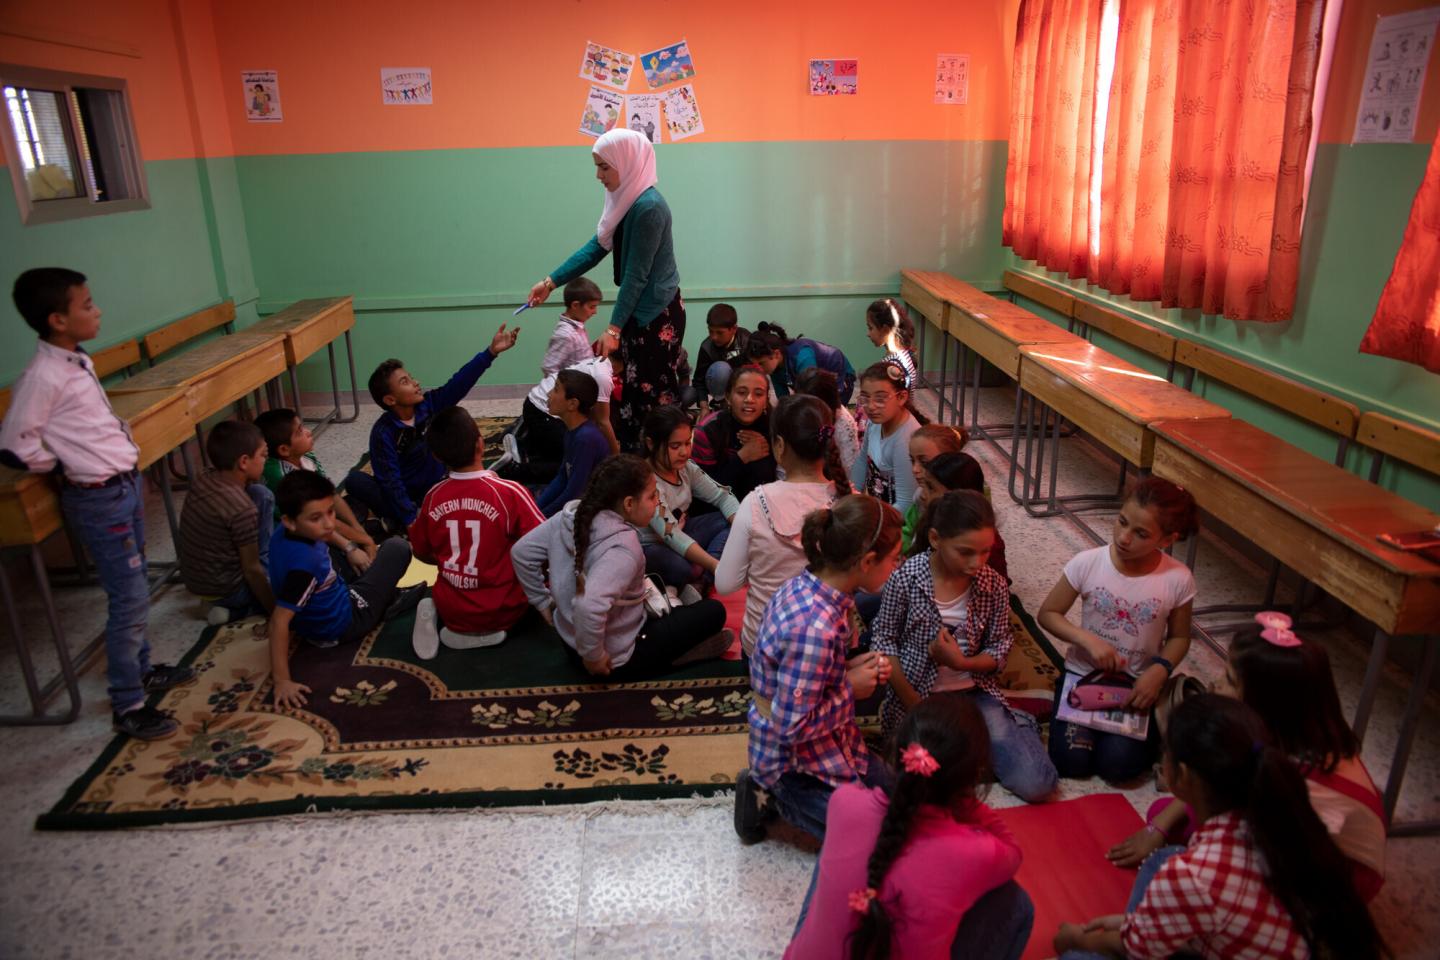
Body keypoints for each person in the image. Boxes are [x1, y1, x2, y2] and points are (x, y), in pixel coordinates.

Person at [1, 267, 194, 740]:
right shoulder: (43, 374)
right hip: (98, 496)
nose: (98, 310)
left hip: (122, 486)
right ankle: (128, 701)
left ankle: (143, 668)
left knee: (134, 585)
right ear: (57, 320)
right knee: (127, 597)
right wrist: (65, 467)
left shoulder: (74, 359)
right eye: (87, 305)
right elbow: (14, 443)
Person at [1054, 696, 1388, 960]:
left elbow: (1137, 950)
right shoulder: (1277, 818)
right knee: (1165, 856)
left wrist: (1078, 938)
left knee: (1078, 954)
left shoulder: (1192, 875)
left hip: (1204, 930)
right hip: (1240, 938)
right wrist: (1137, 926)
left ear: (1180, 774)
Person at [1108, 617, 1386, 901]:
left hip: (1329, 884)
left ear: (1265, 703)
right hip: (1286, 841)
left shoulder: (1290, 779)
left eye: (1228, 680)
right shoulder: (1287, 733)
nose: (1215, 683)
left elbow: (1278, 852)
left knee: (1176, 855)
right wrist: (1159, 827)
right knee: (1166, 813)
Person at [786, 697, 1034, 960]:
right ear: (972, 779)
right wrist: (967, 800)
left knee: (836, 840)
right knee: (1017, 903)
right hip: (957, 808)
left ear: (894, 753)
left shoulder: (844, 803)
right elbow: (1013, 854)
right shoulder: (974, 854)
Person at [735, 495, 904, 843]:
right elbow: (790, 728)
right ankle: (766, 793)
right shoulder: (815, 628)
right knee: (873, 839)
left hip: (833, 743)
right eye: (894, 558)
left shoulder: (817, 587)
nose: (898, 566)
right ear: (868, 561)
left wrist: (847, 670)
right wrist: (850, 688)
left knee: (905, 802)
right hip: (794, 765)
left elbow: (813, 676)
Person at [872, 491, 1057, 803]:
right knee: (914, 786)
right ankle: (972, 740)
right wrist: (913, 702)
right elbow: (884, 640)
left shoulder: (993, 584)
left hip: (973, 695)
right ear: (935, 539)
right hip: (918, 694)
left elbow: (999, 648)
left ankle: (1014, 723)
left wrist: (961, 664)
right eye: (966, 552)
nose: (977, 562)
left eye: (985, 552)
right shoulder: (905, 578)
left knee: (1037, 784)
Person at [511, 454, 733, 677]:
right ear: (628, 503)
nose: (657, 502)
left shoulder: (570, 517)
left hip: (570, 642)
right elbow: (589, 605)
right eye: (651, 496)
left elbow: (521, 553)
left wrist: (543, 602)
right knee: (713, 612)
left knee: (662, 589)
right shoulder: (622, 548)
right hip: (615, 659)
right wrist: (594, 658)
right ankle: (672, 659)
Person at [526, 128, 683, 444]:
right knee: (632, 393)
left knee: (651, 396)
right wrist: (551, 282)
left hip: (656, 315)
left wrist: (613, 329)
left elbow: (636, 276)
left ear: (627, 163)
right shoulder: (627, 199)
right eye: (597, 166)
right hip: (638, 310)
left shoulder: (648, 207)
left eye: (604, 166)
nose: (598, 175)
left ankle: (661, 464)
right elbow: (596, 247)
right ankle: (634, 457)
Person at [1038, 477, 1198, 783]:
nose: (1124, 538)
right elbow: (1048, 613)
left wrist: (1160, 670)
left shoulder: (1178, 579)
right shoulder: (1087, 562)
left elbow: (1179, 637)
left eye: (1140, 533)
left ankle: (1154, 739)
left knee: (1119, 768)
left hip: (1137, 685)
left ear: (1166, 540)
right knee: (1071, 762)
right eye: (1121, 522)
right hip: (1082, 675)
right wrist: (1085, 639)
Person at [266, 471, 425, 709]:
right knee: (397, 547)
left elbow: (327, 533)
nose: (328, 523)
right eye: (316, 518)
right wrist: (282, 680)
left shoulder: (284, 531)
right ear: (291, 520)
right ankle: (388, 602)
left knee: (350, 555)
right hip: (346, 621)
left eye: (330, 512)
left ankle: (380, 591)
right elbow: (279, 621)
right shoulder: (307, 565)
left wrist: (351, 547)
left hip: (323, 602)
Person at [715, 395, 848, 655]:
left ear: (779, 445)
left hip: (765, 646)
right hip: (828, 647)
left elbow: (725, 584)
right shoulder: (849, 501)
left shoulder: (755, 503)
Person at [407, 408, 544, 659]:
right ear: (481, 443)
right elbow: (543, 547)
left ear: (437, 457)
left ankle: (436, 610)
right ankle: (486, 630)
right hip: (505, 609)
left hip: (452, 607)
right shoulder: (510, 492)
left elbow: (421, 552)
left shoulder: (432, 497)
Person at [366, 323, 520, 527]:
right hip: (409, 495)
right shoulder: (383, 433)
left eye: (411, 377)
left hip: (438, 485)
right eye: (405, 381)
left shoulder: (427, 406)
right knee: (357, 482)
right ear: (390, 400)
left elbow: (458, 384)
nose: (416, 382)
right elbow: (391, 481)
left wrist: (490, 353)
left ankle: (393, 520)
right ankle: (397, 519)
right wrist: (412, 519)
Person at [177, 421, 277, 625]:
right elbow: (251, 570)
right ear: (243, 462)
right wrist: (275, 612)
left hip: (197, 582)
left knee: (262, 494)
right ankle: (235, 611)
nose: (266, 461)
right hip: (228, 590)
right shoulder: (242, 509)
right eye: (263, 456)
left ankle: (218, 604)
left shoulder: (204, 478)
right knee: (293, 594)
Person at [255, 407, 379, 560]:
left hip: (317, 518)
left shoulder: (306, 456)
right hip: (298, 532)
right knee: (334, 557)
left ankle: (363, 529)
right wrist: (356, 544)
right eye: (300, 431)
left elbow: (331, 494)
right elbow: (319, 521)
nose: (308, 431)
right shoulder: (280, 475)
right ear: (284, 450)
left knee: (353, 502)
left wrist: (359, 531)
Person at [639, 405, 738, 591]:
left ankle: (701, 581)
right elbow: (670, 534)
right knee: (682, 569)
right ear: (651, 444)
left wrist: (744, 528)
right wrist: (716, 566)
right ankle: (702, 571)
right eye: (675, 446)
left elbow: (722, 496)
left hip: (681, 532)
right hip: (653, 546)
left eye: (687, 443)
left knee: (730, 521)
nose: (685, 452)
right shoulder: (646, 481)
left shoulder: (687, 468)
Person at [502, 352, 622, 479]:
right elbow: (602, 421)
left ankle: (527, 442)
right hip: (541, 412)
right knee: (572, 463)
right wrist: (616, 457)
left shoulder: (599, 363)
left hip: (533, 404)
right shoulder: (603, 377)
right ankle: (515, 470)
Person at [909, 452, 1009, 580]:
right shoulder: (931, 518)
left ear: (956, 495)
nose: (923, 495)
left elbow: (997, 585)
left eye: (931, 488)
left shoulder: (989, 546)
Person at [692, 364, 776, 502]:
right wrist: (742, 457)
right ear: (728, 397)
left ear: (766, 401)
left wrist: (768, 450)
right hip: (717, 511)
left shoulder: (775, 427)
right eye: (742, 392)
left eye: (759, 394)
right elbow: (701, 491)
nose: (750, 399)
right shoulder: (707, 431)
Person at [535, 370, 612, 517]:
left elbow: (573, 493)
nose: (549, 394)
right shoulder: (572, 431)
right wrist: (535, 510)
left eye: (556, 389)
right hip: (577, 502)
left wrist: (540, 518)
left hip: (592, 512)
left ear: (572, 404)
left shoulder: (586, 439)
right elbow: (562, 477)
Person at [852, 361, 923, 515]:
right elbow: (862, 461)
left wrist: (873, 521)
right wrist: (852, 499)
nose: (871, 406)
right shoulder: (875, 422)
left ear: (902, 397)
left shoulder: (906, 441)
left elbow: (906, 504)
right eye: (865, 398)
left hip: (895, 522)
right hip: (881, 509)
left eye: (880, 398)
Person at [747, 322, 856, 404]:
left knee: (828, 414)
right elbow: (783, 400)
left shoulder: (802, 356)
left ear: (776, 354)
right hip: (813, 383)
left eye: (761, 363)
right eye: (755, 364)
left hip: (840, 375)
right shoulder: (774, 368)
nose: (758, 369)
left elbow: (810, 394)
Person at [901, 423, 967, 550]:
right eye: (912, 461)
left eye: (924, 462)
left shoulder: (965, 508)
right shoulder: (920, 495)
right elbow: (908, 532)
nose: (915, 469)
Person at [796, 367, 860, 476]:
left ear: (828, 404)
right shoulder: (798, 411)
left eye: (812, 406)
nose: (805, 410)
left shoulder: (843, 424)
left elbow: (850, 470)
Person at [539, 277, 603, 380]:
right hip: (571, 391)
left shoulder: (577, 326)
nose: (595, 312)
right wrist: (563, 392)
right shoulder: (565, 334)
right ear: (575, 305)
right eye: (592, 307)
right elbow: (549, 367)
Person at [695, 303, 751, 414]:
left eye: (720, 333)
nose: (714, 337)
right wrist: (704, 407)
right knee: (721, 369)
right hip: (718, 386)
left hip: (743, 386)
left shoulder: (747, 340)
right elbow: (698, 381)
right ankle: (721, 405)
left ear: (734, 329)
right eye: (711, 331)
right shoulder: (706, 346)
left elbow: (755, 372)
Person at [865, 297, 918, 389]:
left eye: (870, 328)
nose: (868, 334)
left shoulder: (893, 366)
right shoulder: (903, 353)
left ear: (885, 329)